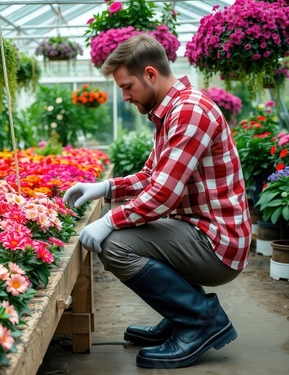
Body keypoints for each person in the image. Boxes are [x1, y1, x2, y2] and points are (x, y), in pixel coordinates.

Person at [63, 34, 251, 369]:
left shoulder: (190, 111)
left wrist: (108, 221)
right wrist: (105, 188)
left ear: (150, 74)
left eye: (127, 86)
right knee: (124, 233)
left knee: (116, 244)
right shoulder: (172, 112)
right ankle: (182, 316)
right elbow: (152, 177)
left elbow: (162, 197)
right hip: (198, 230)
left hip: (218, 243)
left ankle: (199, 321)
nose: (124, 97)